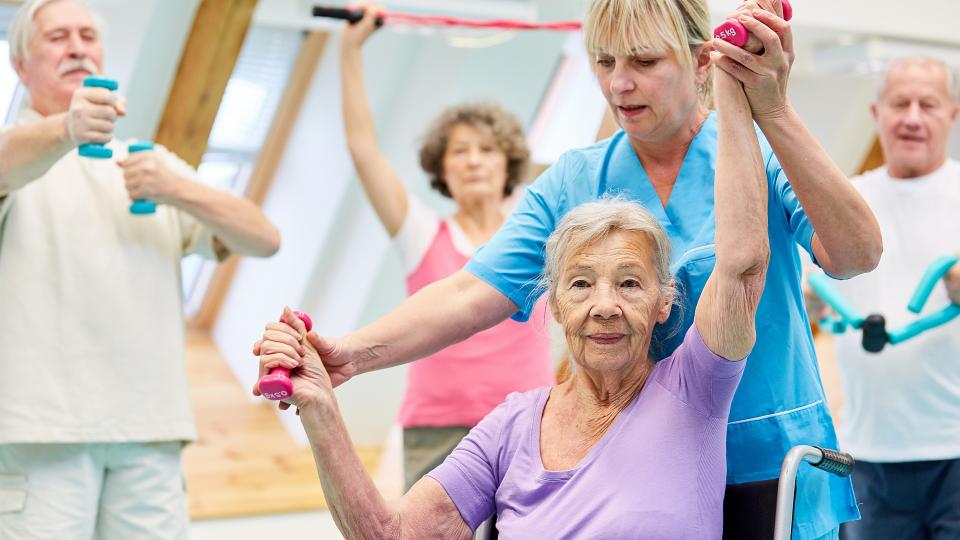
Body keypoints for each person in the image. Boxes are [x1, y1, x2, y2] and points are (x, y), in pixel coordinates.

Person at [256, 0, 883, 537]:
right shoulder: (575, 180)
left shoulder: (754, 152)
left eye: (643, 61)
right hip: (639, 465)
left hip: (765, 460)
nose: (619, 85)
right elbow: (472, 291)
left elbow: (855, 254)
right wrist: (350, 356)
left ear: (700, 62)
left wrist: (770, 109)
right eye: (604, 62)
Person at [0, 1, 280, 538]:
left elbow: (264, 238)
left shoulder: (149, 164)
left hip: (151, 431)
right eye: (57, 37)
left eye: (87, 35)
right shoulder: (16, 157)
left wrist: (179, 188)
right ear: (20, 65)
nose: (77, 46)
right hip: (42, 435)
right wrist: (67, 128)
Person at [338, 11, 554, 490]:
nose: (473, 159)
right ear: (442, 168)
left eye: (486, 148)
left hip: (529, 418)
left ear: (508, 161)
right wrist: (350, 51)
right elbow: (362, 149)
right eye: (459, 151)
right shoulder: (421, 233)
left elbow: (605, 143)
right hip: (436, 424)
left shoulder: (534, 225)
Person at [804, 57, 960, 540]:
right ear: (876, 112)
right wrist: (812, 305)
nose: (912, 117)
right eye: (899, 103)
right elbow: (813, 302)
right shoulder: (845, 200)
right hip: (869, 452)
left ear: (951, 114)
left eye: (927, 104)